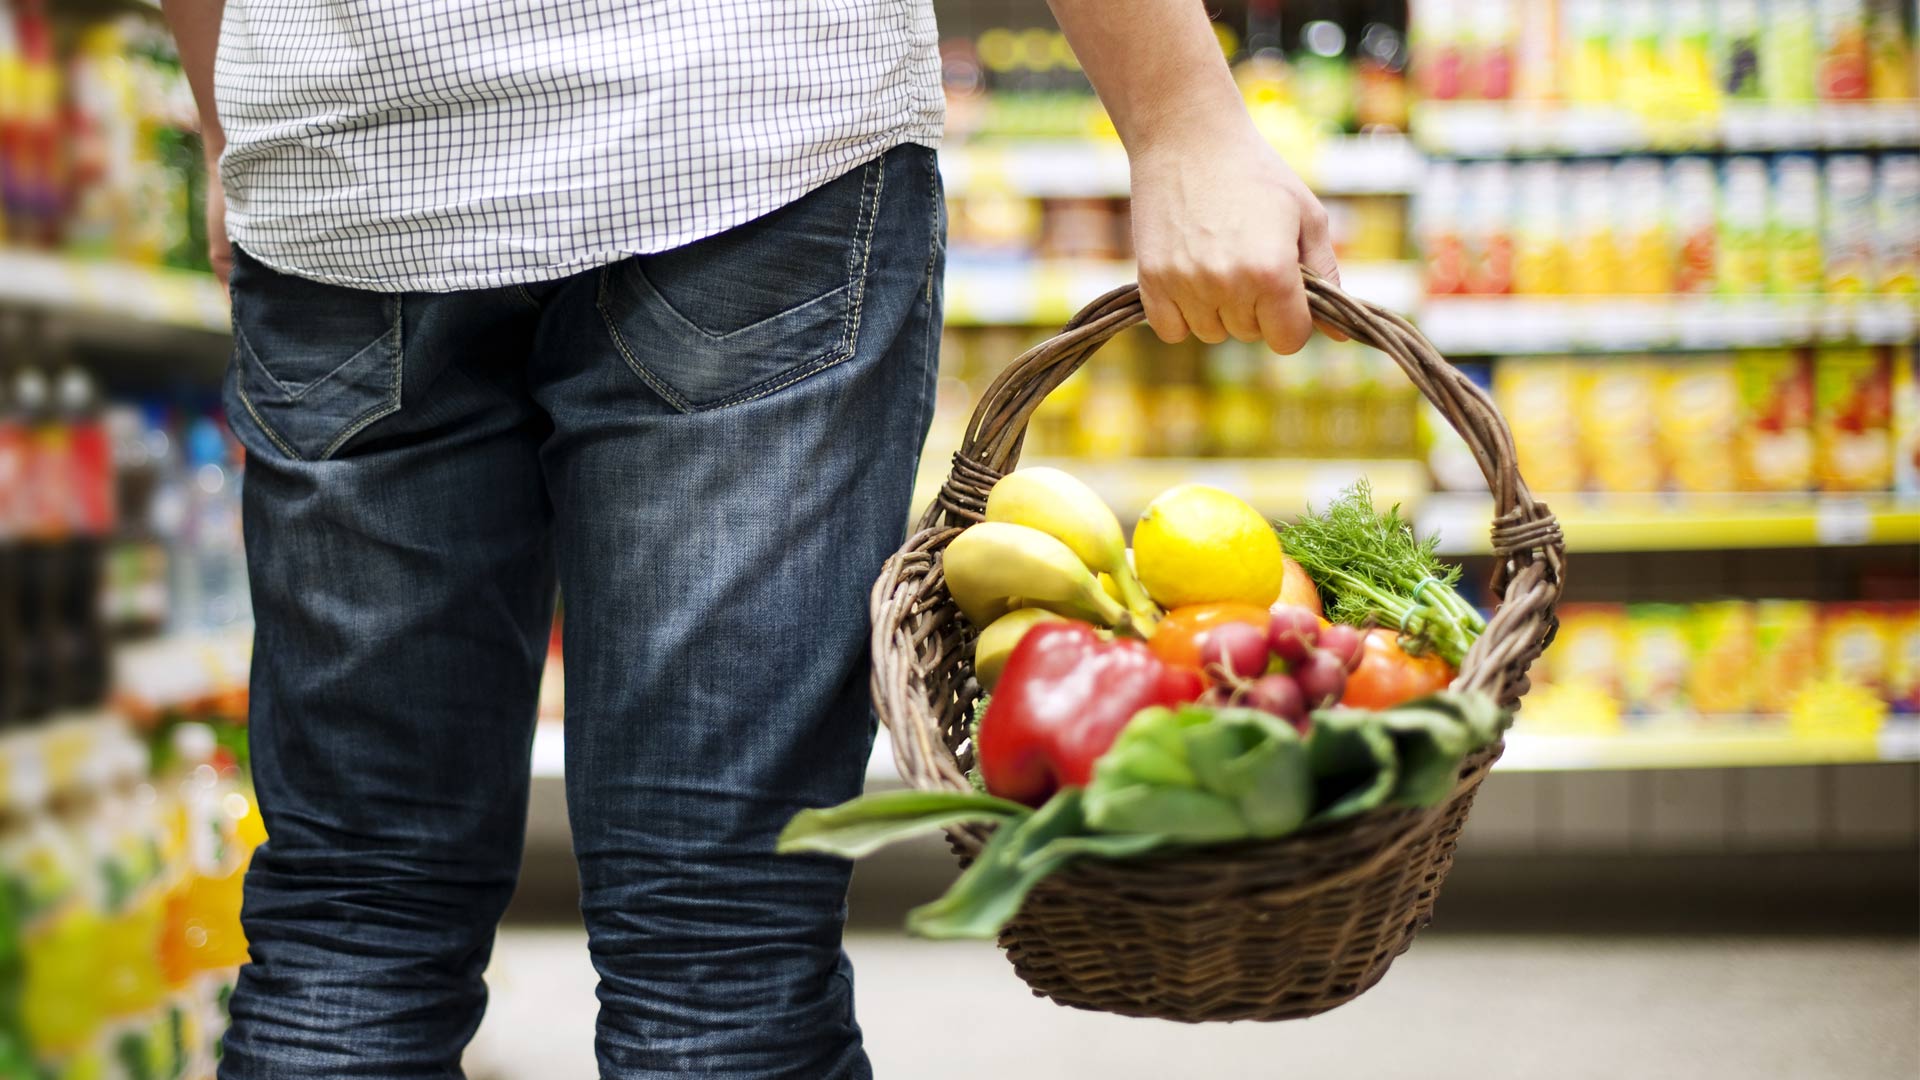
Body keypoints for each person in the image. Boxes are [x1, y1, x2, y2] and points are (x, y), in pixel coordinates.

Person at [157, 1, 1343, 1076]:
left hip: (342, 165)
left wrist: (229, 114)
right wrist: (1180, 111)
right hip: (731, 133)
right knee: (714, 936)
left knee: (352, 923)